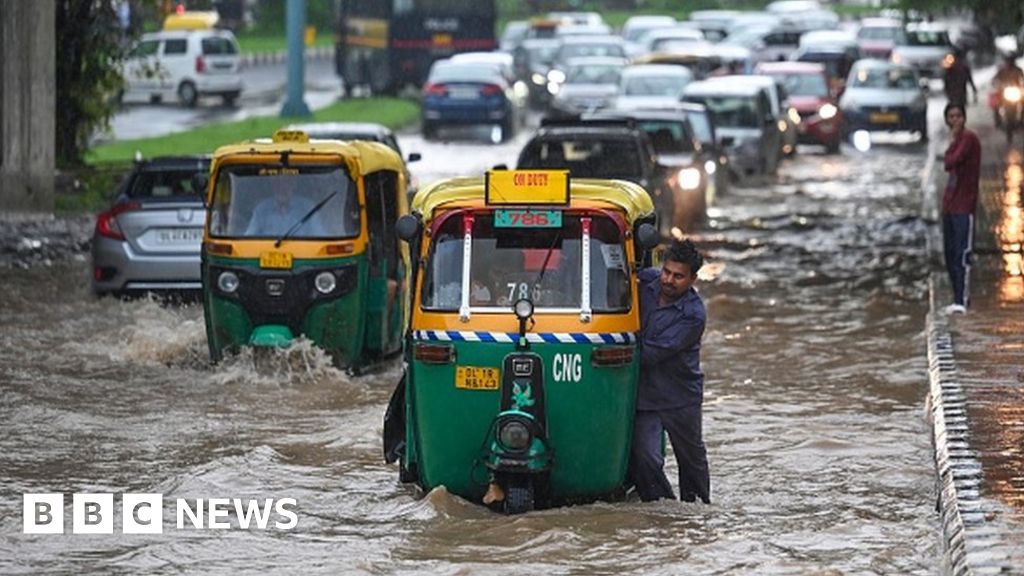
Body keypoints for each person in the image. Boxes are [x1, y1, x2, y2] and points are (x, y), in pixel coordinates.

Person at [629, 239, 710, 503]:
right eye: (666, 271)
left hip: (680, 397)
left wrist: (621, 348)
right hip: (645, 397)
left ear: (692, 280)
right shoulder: (645, 282)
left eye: (678, 276)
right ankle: (664, 510)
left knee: (692, 462)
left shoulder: (693, 315)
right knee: (645, 458)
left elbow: (652, 353)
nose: (668, 280)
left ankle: (696, 511)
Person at [942, 103, 981, 314]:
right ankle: (956, 297)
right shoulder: (956, 141)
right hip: (950, 205)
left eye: (958, 116)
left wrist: (952, 143)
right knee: (949, 254)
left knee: (962, 254)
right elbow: (947, 161)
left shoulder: (968, 139)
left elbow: (951, 161)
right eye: (951, 117)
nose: (954, 120)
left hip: (964, 206)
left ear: (964, 118)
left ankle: (962, 299)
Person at [245, 179, 327, 237]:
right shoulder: (261, 209)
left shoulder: (308, 207)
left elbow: (320, 235)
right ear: (272, 186)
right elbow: (248, 237)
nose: (282, 187)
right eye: (278, 183)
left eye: (287, 183)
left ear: (294, 185)